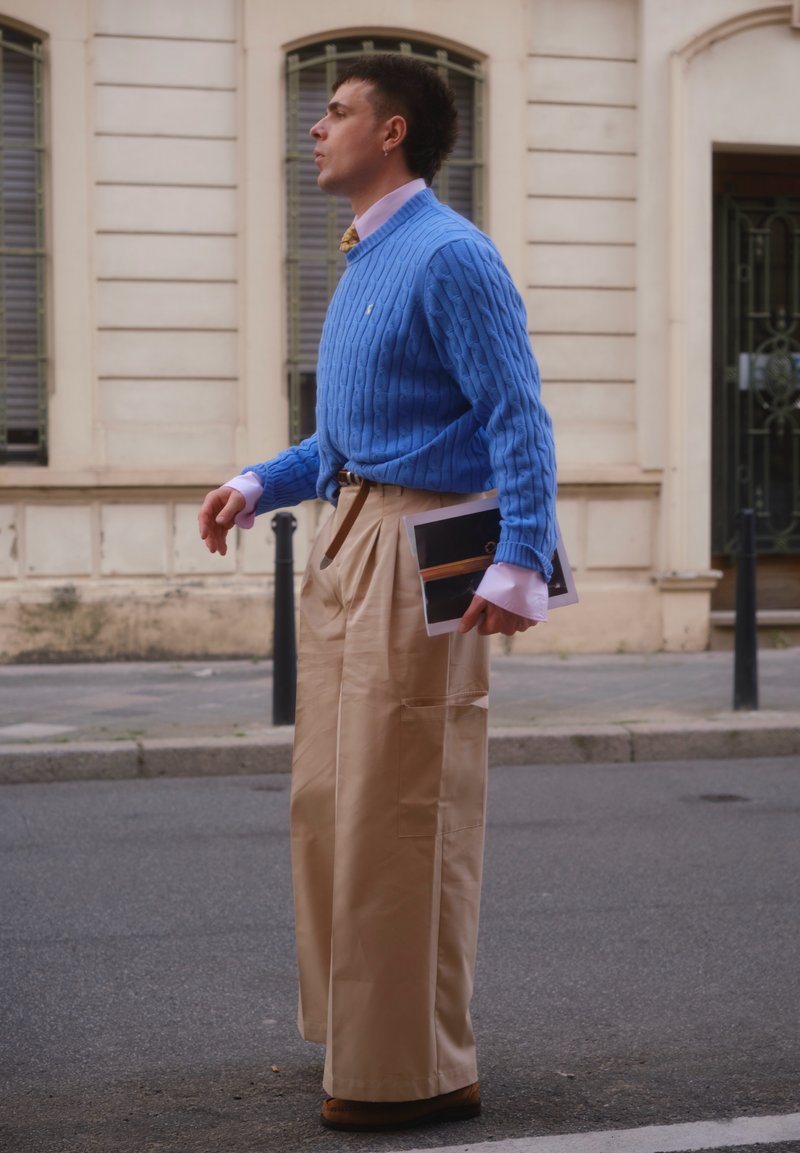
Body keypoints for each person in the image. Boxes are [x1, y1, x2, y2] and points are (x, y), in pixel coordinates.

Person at [198, 53, 557, 1133]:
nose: (317, 128)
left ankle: (416, 1066)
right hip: (350, 535)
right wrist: (260, 480)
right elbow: (354, 437)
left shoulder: (449, 254)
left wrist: (520, 557)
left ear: (391, 133)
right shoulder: (366, 258)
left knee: (405, 810)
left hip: (421, 547)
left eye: (339, 112)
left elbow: (517, 417)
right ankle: (361, 1033)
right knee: (330, 804)